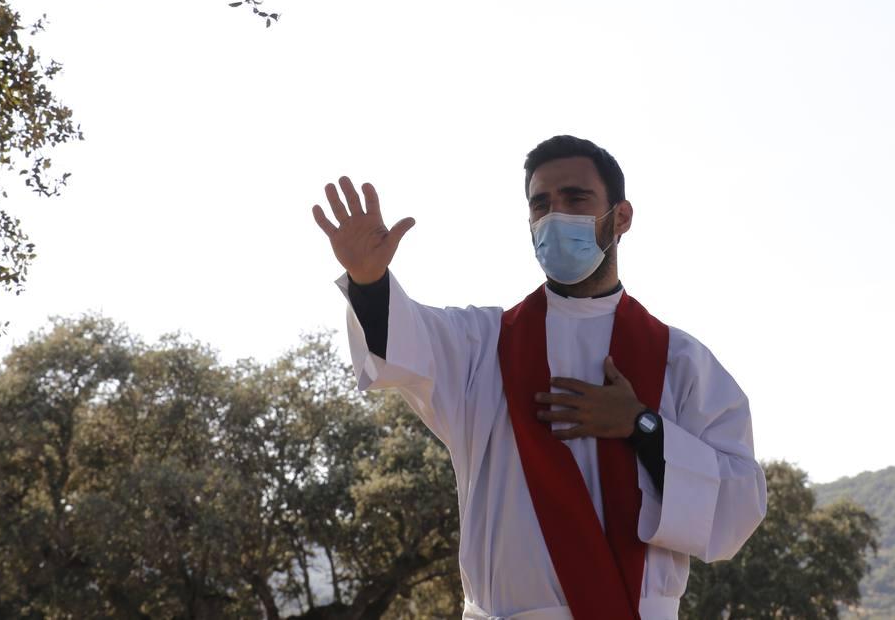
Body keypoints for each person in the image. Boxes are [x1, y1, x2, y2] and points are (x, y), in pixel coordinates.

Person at [311, 135, 766, 620]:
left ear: (622, 217)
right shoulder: (482, 346)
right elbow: (401, 347)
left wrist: (641, 427)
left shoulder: (682, 361)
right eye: (540, 205)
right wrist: (368, 281)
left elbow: (737, 507)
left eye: (575, 198)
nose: (554, 216)